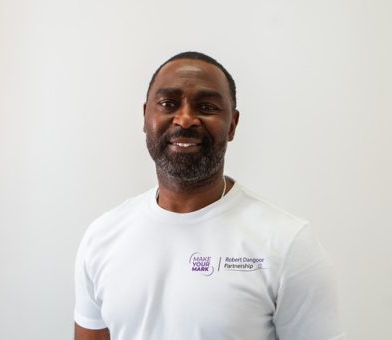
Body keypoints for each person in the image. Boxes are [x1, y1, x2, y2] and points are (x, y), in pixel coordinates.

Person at [73, 51, 345, 340]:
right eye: (168, 103)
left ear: (232, 124)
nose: (186, 119)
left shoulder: (287, 244)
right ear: (145, 116)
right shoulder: (102, 237)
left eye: (206, 106)